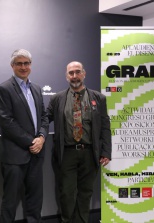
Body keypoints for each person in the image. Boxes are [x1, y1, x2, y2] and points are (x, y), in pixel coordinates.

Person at [47, 61, 112, 223]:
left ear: (84, 74)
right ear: (66, 76)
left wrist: (106, 152)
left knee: (85, 192)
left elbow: (105, 126)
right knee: (67, 193)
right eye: (71, 73)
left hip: (90, 153)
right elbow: (43, 120)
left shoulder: (99, 98)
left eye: (77, 72)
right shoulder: (57, 99)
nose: (74, 76)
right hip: (66, 153)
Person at [0, 49, 49, 223]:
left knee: (35, 201)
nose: (23, 67)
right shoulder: (4, 89)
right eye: (19, 63)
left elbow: (44, 117)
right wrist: (32, 142)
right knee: (10, 202)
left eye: (26, 63)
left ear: (30, 65)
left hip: (36, 153)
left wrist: (41, 137)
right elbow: (7, 122)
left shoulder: (37, 89)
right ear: (12, 66)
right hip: (15, 156)